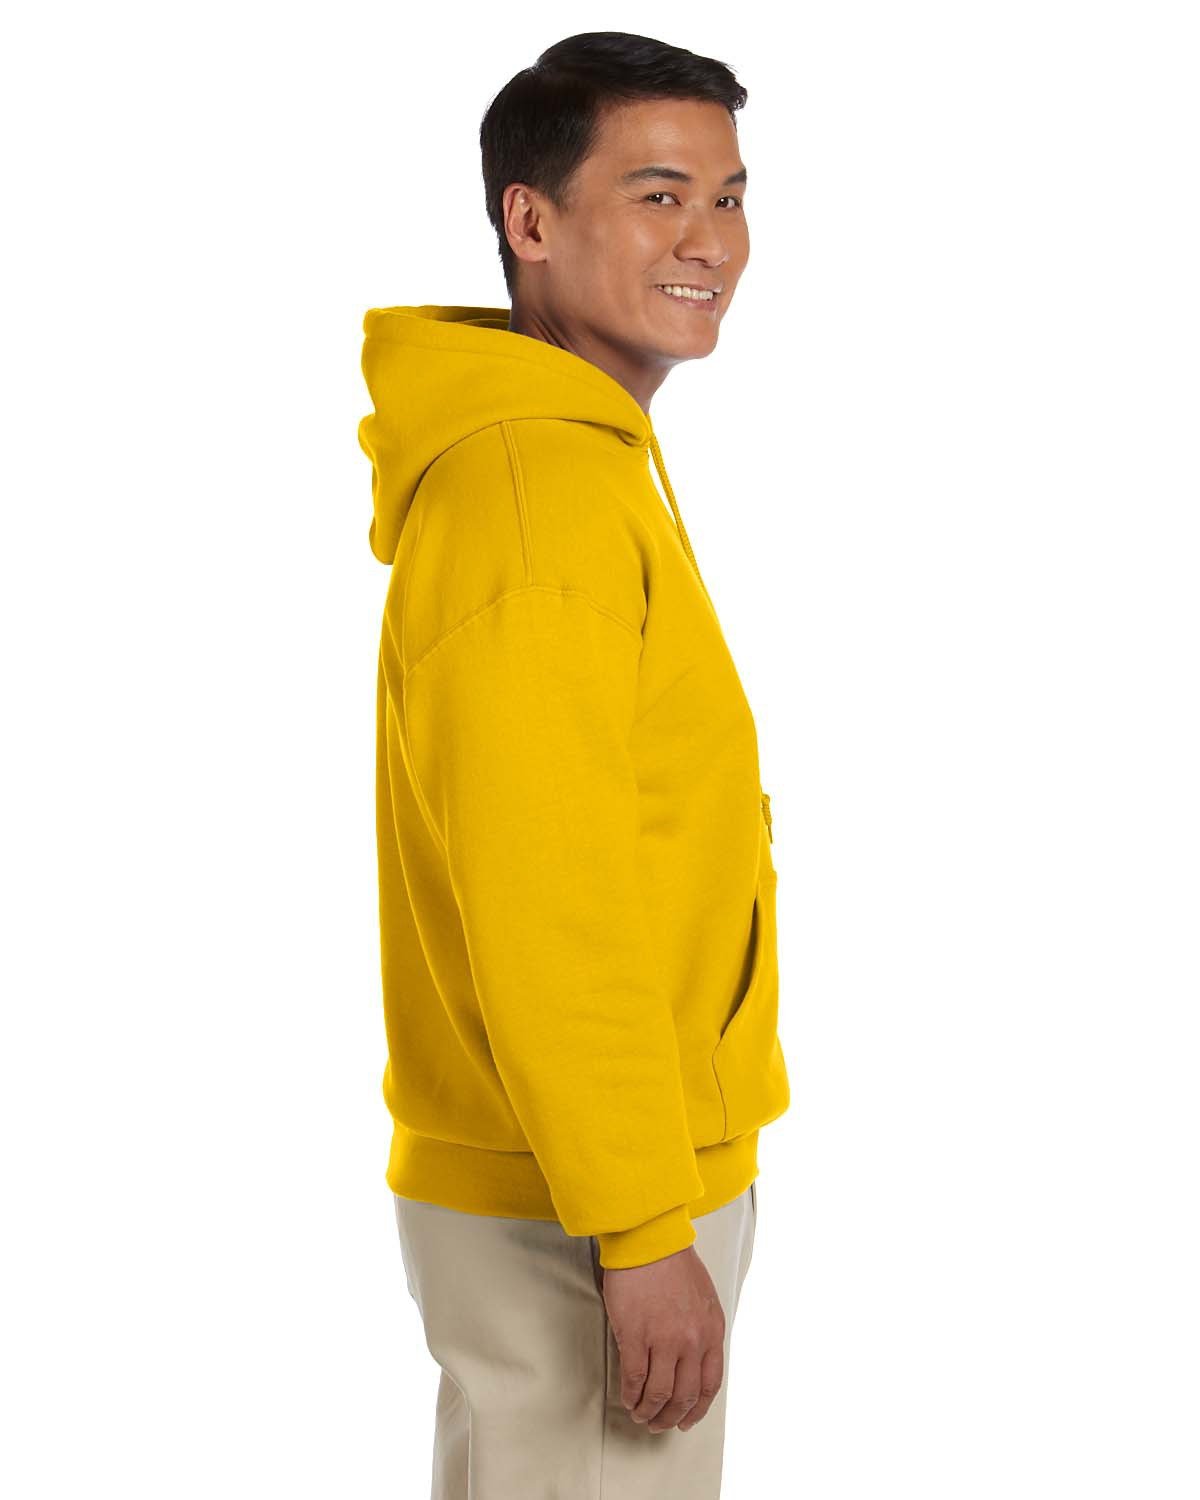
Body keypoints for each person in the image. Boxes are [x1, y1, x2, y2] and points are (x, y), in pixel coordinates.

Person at [357, 30, 790, 1499]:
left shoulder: (577, 463)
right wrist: (644, 1228)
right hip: (586, 1202)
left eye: (730, 197)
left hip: (590, 1178)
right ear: (529, 221)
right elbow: (550, 900)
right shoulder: (537, 495)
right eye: (659, 195)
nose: (710, 241)